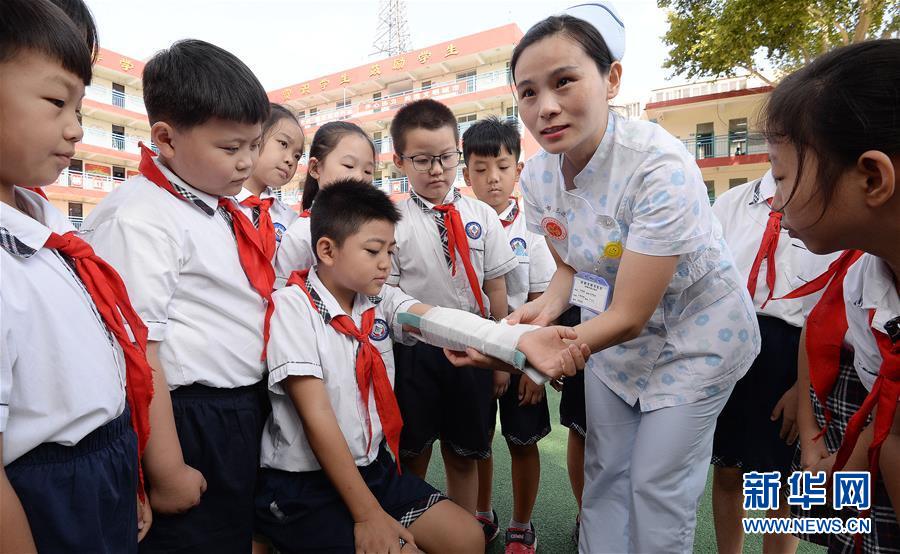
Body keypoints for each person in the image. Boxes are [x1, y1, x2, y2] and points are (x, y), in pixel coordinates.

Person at [503, 4, 761, 551]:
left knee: (656, 485)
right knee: (605, 474)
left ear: (611, 79)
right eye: (528, 92)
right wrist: (542, 313)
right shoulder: (539, 175)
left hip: (695, 337)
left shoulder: (658, 165)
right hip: (612, 340)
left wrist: (534, 348)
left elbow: (630, 315)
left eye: (564, 81)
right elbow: (572, 266)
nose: (545, 107)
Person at [82, 38, 273, 552]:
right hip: (190, 419)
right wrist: (166, 471)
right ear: (165, 138)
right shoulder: (141, 218)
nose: (246, 162)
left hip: (238, 408)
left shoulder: (212, 204)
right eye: (230, 149)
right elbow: (138, 351)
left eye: (254, 145)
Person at [255, 179, 484, 553]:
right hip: (303, 484)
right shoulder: (292, 308)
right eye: (373, 250)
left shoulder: (378, 299)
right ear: (327, 250)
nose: (385, 263)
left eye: (391, 251)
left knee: (468, 538)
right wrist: (367, 515)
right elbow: (317, 418)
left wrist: (510, 341)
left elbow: (433, 319)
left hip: (373, 469)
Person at [0, 0, 153, 550]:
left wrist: (126, 476)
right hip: (44, 491)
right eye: (55, 102)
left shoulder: (47, 225)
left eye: (80, 108)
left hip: (103, 465)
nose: (76, 130)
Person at [763, 39, 900, 552]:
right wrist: (833, 454)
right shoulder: (866, 276)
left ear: (872, 177)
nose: (775, 205)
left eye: (782, 177)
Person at [387, 98, 519, 515]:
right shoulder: (392, 222)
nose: (436, 170)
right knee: (413, 453)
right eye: (422, 160)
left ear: (457, 154)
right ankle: (412, 530)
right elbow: (388, 293)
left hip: (474, 349)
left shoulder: (482, 215)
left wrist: (500, 356)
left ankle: (465, 532)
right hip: (415, 353)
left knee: (465, 454)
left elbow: (496, 286)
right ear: (399, 161)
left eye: (445, 157)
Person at [710, 169, 838, 554]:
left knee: (781, 483)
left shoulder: (826, 207)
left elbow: (833, 307)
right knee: (728, 470)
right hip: (732, 347)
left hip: (794, 354)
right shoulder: (731, 204)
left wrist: (804, 388)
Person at [462, 116, 555, 552]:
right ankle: (482, 513)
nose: (492, 178)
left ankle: (521, 523)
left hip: (521, 356)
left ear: (518, 169)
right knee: (477, 442)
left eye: (502, 166)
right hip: (473, 354)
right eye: (480, 169)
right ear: (466, 175)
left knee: (521, 442)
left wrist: (533, 370)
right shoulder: (457, 222)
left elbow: (542, 301)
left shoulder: (533, 228)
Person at [274, 121, 376, 285]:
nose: (360, 177)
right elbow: (284, 292)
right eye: (349, 165)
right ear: (315, 168)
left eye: (368, 171)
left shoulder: (372, 227)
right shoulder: (301, 234)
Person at [235, 103, 304, 262]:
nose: (290, 160)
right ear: (255, 137)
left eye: (297, 156)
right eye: (283, 144)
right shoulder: (220, 202)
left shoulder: (289, 219)